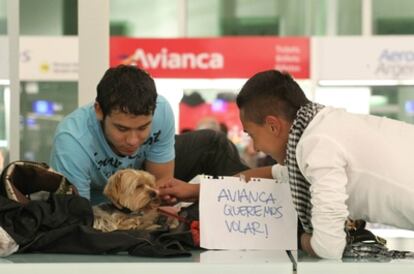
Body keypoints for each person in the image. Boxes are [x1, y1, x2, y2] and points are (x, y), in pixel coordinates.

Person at [159, 69, 414, 259]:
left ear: (273, 125)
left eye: (251, 134)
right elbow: (275, 174)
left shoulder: (318, 145)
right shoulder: (321, 128)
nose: (256, 147)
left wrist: (298, 238)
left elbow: (328, 247)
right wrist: (196, 190)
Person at [50, 65, 175, 204]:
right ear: (99, 110)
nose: (133, 141)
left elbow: (160, 186)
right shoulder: (72, 141)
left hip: (140, 194)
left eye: (143, 128)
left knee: (202, 142)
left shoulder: (161, 111)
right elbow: (77, 215)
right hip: (95, 206)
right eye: (122, 129)